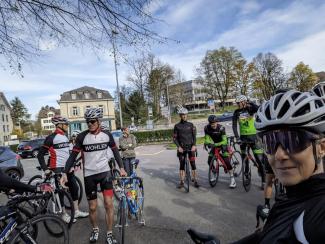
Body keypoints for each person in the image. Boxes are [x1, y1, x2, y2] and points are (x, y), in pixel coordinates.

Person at [60, 108, 127, 244]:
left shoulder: (107, 135)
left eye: (92, 121)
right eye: (87, 122)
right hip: (89, 175)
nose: (89, 124)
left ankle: (109, 233)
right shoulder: (82, 137)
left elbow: (115, 153)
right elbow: (72, 156)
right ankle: (95, 229)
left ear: (99, 121)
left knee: (109, 204)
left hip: (105, 173)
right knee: (92, 207)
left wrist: (121, 168)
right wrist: (64, 173)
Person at [37, 115, 89, 223]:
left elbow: (68, 154)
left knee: (75, 188)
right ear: (59, 125)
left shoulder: (65, 137)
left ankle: (76, 210)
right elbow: (40, 155)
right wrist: (46, 169)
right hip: (57, 169)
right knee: (61, 192)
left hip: (67, 169)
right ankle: (64, 214)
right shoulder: (51, 137)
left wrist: (73, 164)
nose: (67, 125)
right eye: (65, 124)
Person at [232, 95, 266, 189]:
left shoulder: (250, 109)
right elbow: (234, 125)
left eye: (239, 103)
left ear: (243, 102)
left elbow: (259, 108)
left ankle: (264, 180)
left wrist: (250, 102)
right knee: (244, 160)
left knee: (259, 160)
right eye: (237, 103)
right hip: (243, 138)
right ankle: (247, 176)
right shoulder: (236, 112)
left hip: (254, 137)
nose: (238, 105)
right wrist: (237, 137)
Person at [204, 115, 236, 188]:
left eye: (215, 123)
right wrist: (207, 142)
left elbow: (224, 141)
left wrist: (215, 144)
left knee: (227, 162)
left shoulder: (221, 128)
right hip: (214, 145)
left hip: (222, 145)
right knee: (209, 161)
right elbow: (207, 138)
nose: (213, 124)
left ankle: (232, 179)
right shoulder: (206, 128)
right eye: (212, 123)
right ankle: (214, 173)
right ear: (209, 123)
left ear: (217, 122)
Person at [173, 106, 199, 188]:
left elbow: (194, 136)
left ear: (187, 115)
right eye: (182, 115)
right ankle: (181, 181)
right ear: (180, 116)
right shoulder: (177, 126)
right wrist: (178, 147)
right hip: (182, 148)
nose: (184, 116)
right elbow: (174, 138)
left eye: (185, 115)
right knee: (182, 164)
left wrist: (194, 145)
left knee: (193, 164)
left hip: (191, 148)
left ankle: (195, 180)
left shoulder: (191, 125)